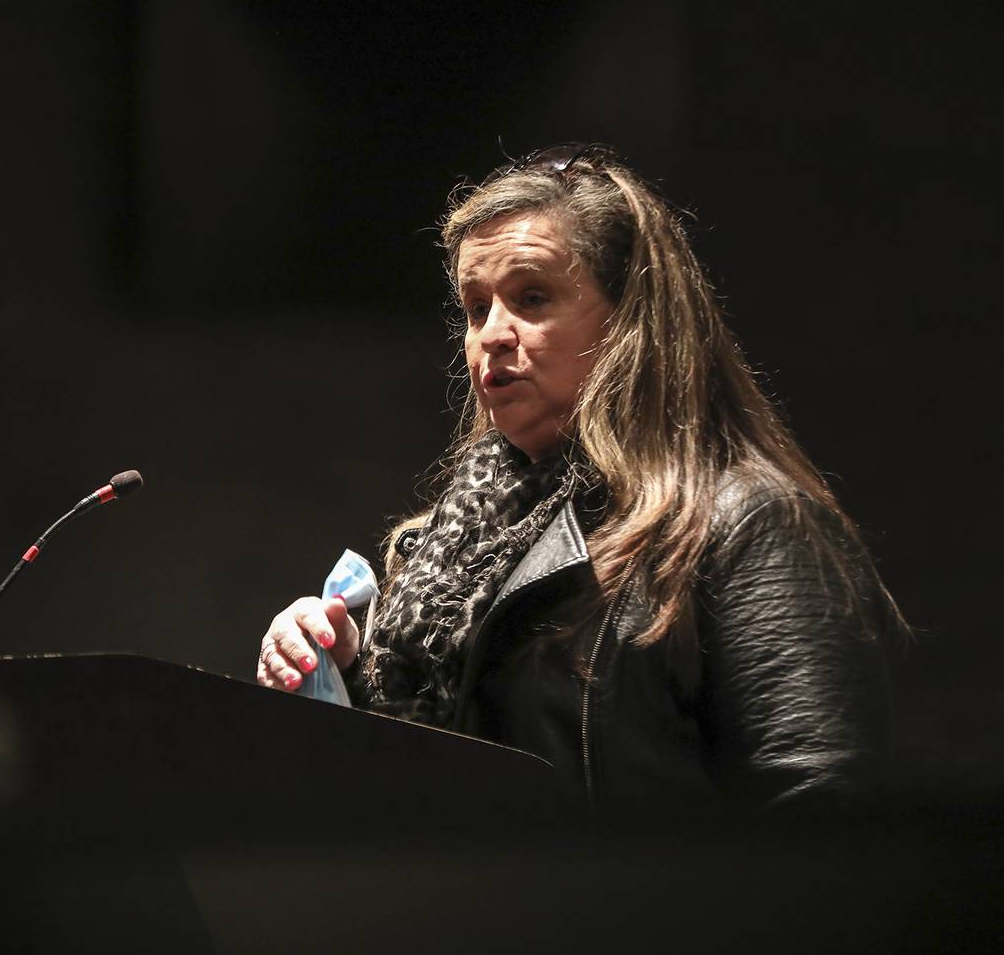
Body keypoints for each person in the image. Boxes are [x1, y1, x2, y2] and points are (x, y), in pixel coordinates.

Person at [256, 144, 901, 810]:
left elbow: (822, 809)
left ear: (630, 320)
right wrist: (339, 673)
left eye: (532, 297)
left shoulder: (745, 525)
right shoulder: (447, 549)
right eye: (477, 308)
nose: (493, 335)